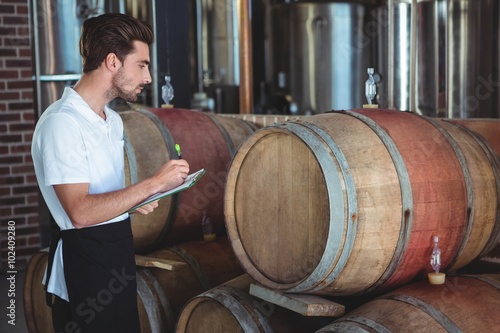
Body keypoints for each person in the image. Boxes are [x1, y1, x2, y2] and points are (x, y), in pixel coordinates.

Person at [31, 13, 189, 332]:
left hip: (117, 259)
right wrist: (152, 183)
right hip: (82, 268)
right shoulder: (63, 123)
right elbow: (79, 212)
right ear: (113, 61)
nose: (147, 77)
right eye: (142, 65)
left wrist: (132, 203)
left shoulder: (111, 120)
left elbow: (101, 196)